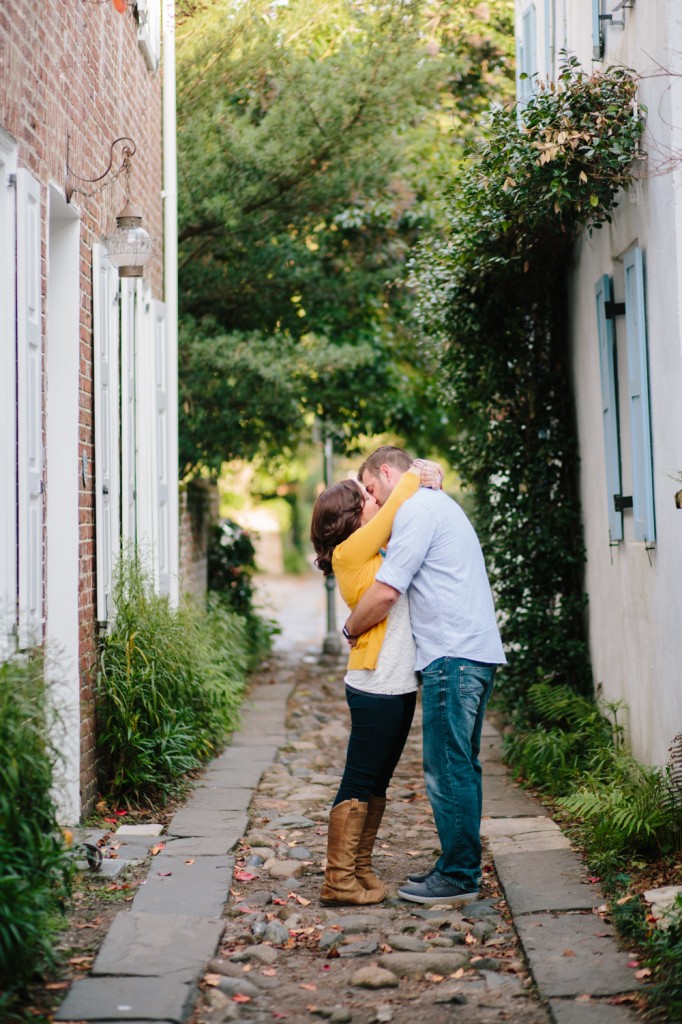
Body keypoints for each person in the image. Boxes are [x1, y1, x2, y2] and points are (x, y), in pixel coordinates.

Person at [343, 445, 506, 906]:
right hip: (472, 653)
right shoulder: (435, 502)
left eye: (372, 489)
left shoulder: (415, 510)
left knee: (448, 768)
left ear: (388, 473)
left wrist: (350, 627)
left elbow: (387, 590)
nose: (374, 502)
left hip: (451, 657)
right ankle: (457, 865)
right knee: (461, 765)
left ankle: (458, 876)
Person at [310, 458, 442, 905]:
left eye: (371, 493)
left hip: (395, 681)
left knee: (377, 783)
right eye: (365, 498)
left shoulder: (369, 548)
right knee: (359, 778)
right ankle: (337, 879)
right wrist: (423, 471)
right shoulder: (352, 551)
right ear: (351, 517)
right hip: (376, 684)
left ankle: (358, 868)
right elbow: (401, 495)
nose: (374, 500)